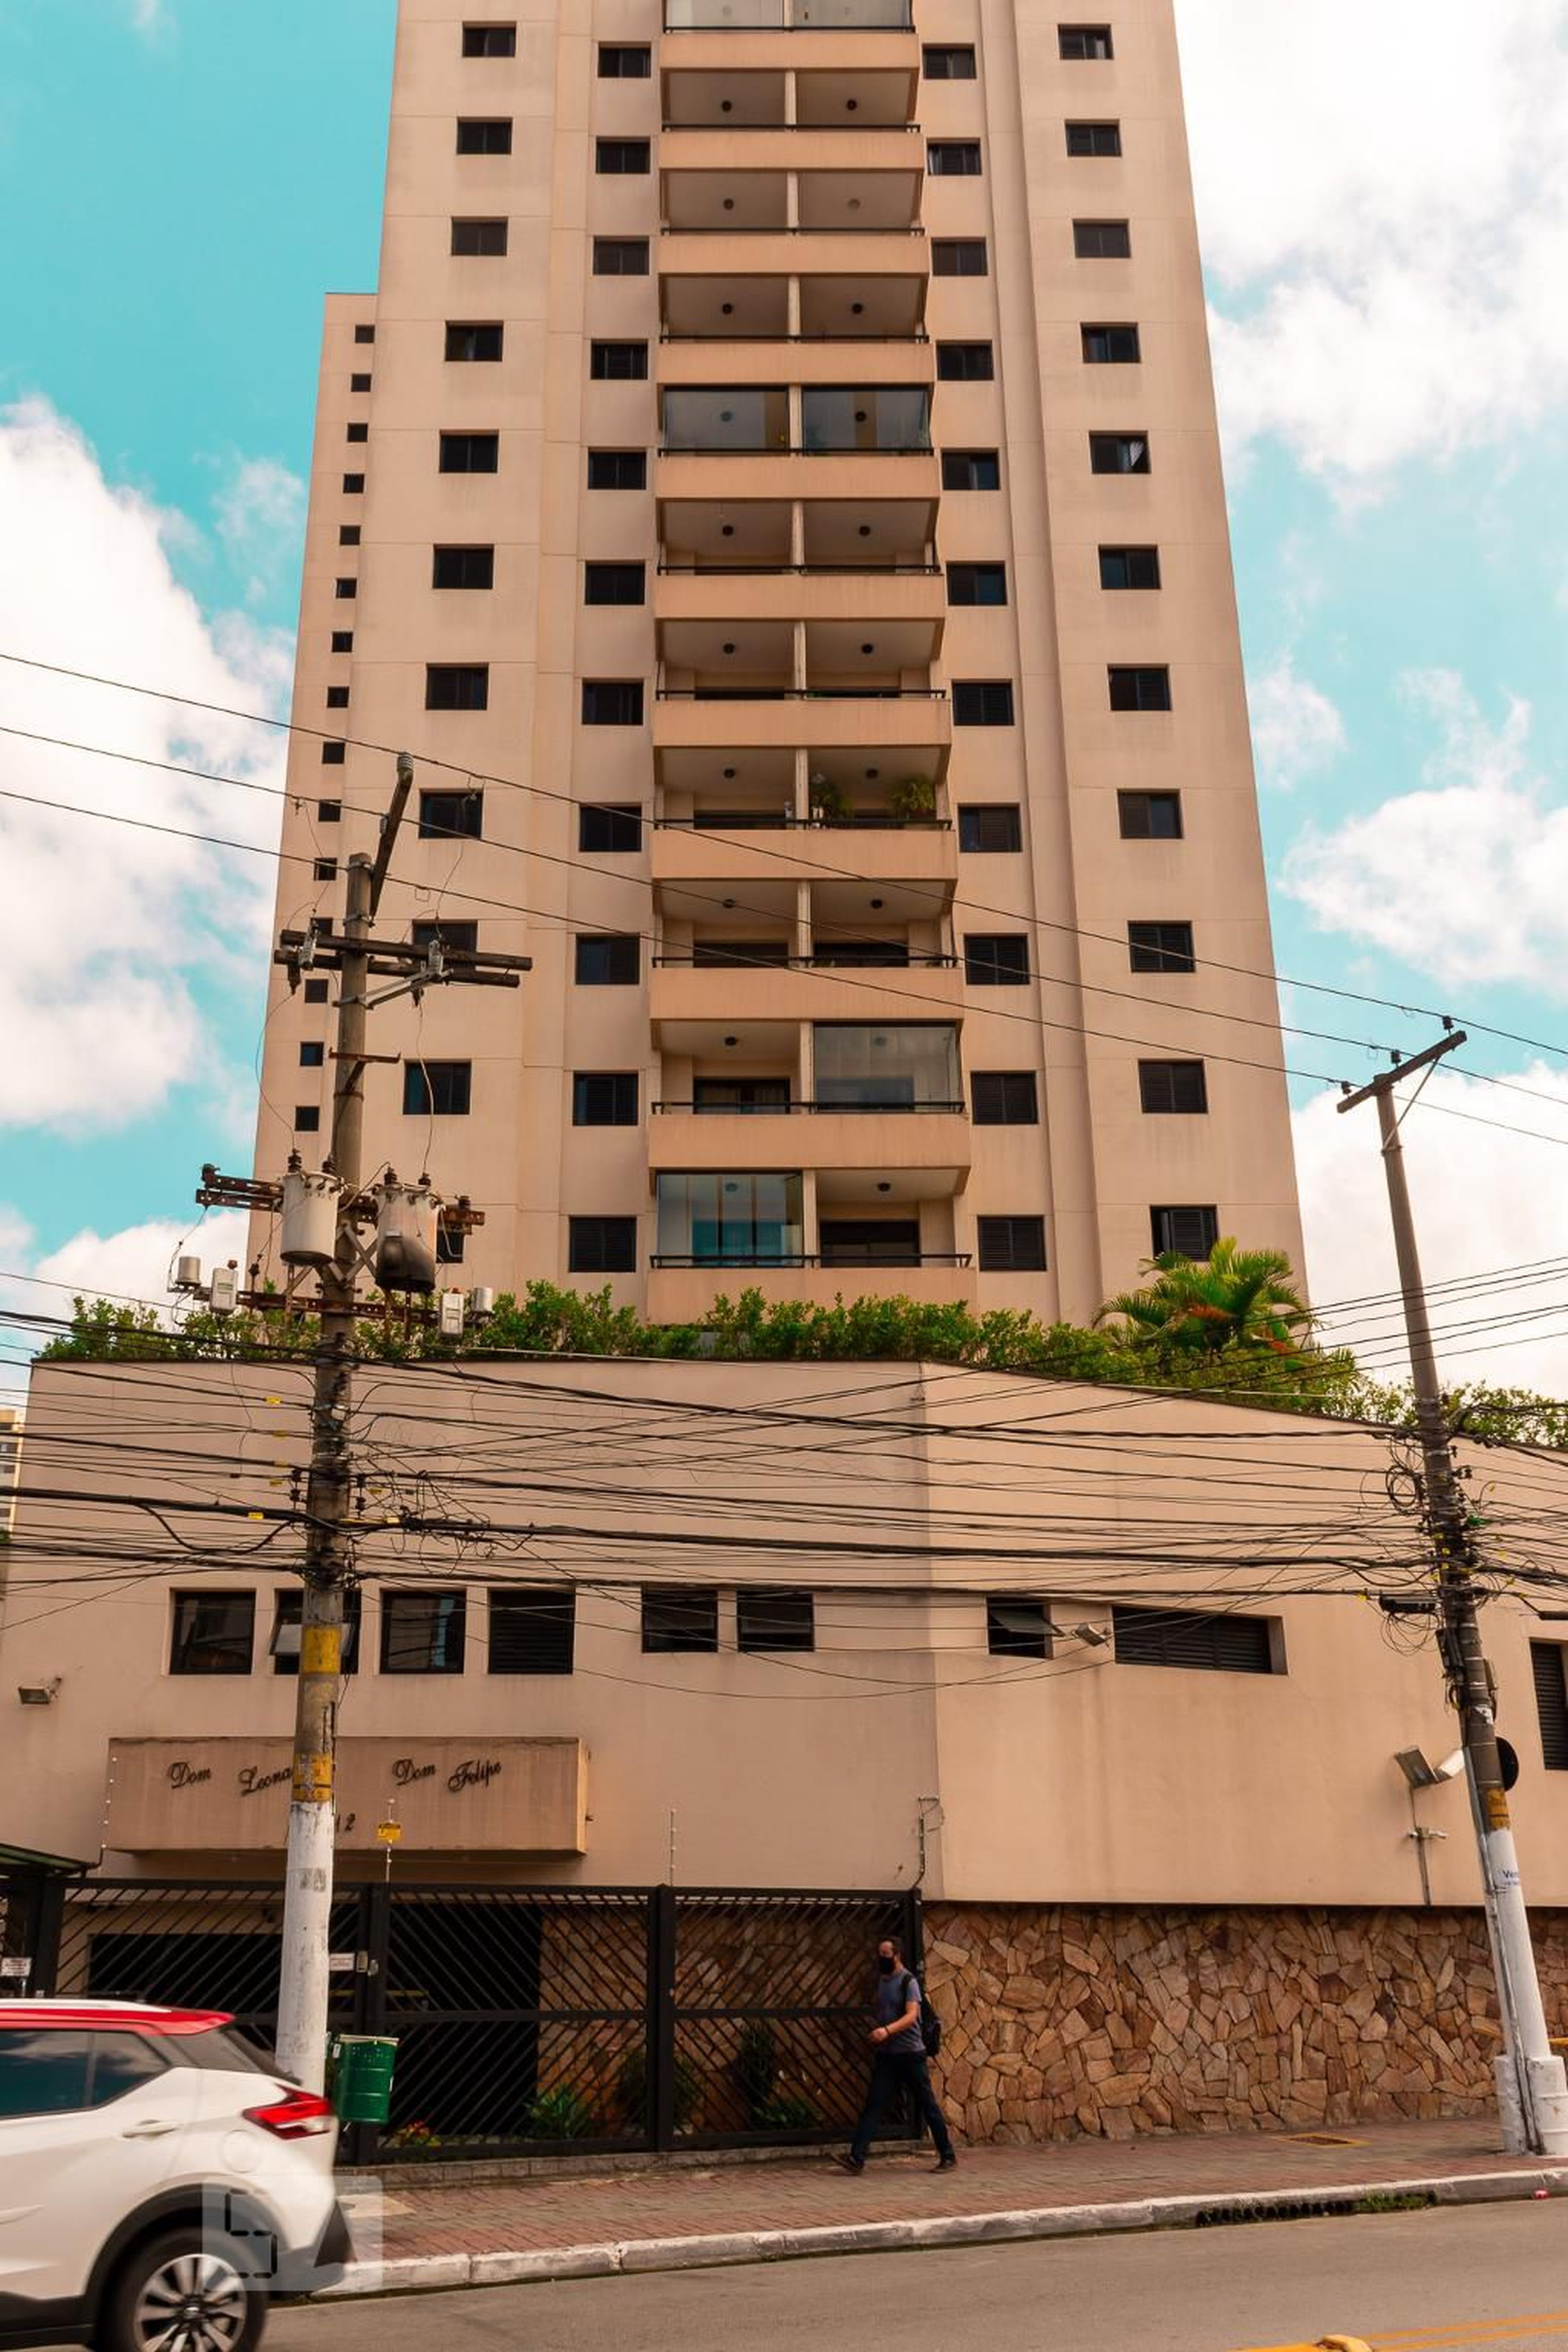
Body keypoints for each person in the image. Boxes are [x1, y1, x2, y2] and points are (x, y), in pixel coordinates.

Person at [835, 1934, 956, 2174]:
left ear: (897, 1955)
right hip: (888, 2055)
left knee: (927, 2105)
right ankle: (856, 2158)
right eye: (879, 1955)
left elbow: (912, 2015)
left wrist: (887, 2030)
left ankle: (948, 2155)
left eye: (885, 1956)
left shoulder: (908, 1982)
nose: (881, 1960)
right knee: (874, 2104)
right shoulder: (882, 1981)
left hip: (911, 2055)